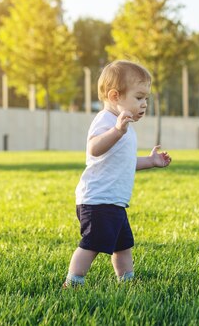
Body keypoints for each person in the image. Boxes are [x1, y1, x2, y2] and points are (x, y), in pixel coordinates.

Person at [63, 60, 172, 288]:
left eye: (146, 99)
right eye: (139, 97)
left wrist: (150, 161)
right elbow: (94, 148)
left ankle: (127, 281)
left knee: (123, 245)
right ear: (115, 96)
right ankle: (73, 281)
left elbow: (124, 162)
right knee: (92, 244)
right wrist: (116, 131)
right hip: (98, 199)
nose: (144, 105)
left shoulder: (124, 127)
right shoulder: (106, 121)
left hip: (115, 201)